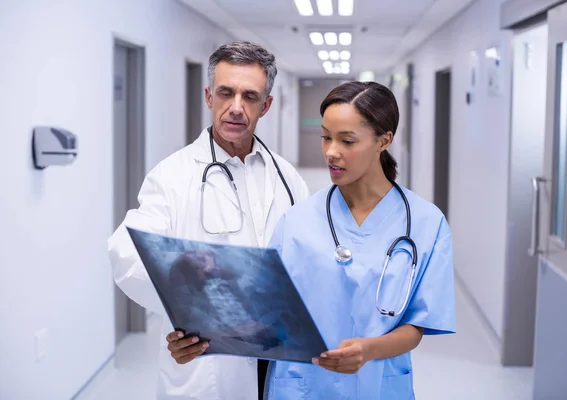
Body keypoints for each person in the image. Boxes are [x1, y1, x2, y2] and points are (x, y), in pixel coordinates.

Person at [168, 80, 456, 399]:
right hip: (300, 385)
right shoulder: (296, 221)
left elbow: (416, 325)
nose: (331, 152)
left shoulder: (426, 223)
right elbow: (263, 314)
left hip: (378, 383)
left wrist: (369, 350)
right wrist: (200, 341)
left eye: (347, 141)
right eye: (326, 137)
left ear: (383, 141)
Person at [107, 41, 310, 400]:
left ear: (266, 105)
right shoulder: (172, 175)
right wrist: (187, 312)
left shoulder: (288, 177)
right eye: (225, 93)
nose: (236, 108)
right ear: (208, 96)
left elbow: (307, 257)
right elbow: (127, 251)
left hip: (280, 355)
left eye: (250, 97)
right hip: (211, 357)